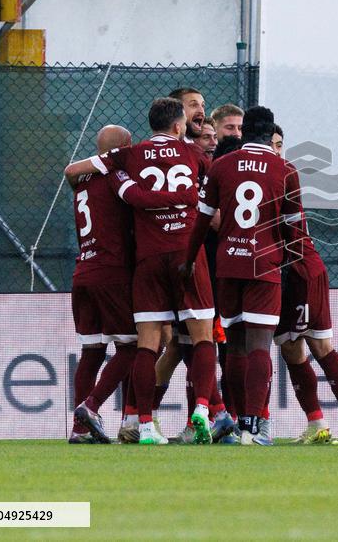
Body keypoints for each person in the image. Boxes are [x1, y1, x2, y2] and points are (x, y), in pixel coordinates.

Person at [65, 98, 219, 445]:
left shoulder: (99, 178)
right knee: (156, 344)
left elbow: (73, 172)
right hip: (132, 266)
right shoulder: (187, 155)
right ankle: (128, 416)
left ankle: (130, 424)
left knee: (101, 350)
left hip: (88, 270)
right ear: (179, 125)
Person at [183, 107, 300, 445]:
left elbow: (202, 218)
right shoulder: (284, 168)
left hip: (228, 265)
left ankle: (234, 418)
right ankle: (255, 426)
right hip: (265, 265)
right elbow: (295, 227)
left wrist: (189, 259)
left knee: (233, 346)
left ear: (244, 131)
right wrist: (291, 264)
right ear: (271, 134)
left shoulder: (221, 165)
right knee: (260, 346)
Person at [271, 125, 338, 445]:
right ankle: (318, 423)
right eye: (271, 144)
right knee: (293, 350)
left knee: (314, 346)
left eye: (279, 144)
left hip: (300, 271)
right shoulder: (274, 175)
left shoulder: (282, 174)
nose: (276, 149)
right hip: (299, 271)